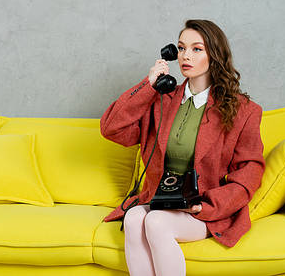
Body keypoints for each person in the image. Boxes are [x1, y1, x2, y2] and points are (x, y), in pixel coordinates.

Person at [100, 20, 266, 276]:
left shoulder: (244, 111)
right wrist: (149, 85)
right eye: (180, 48)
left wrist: (207, 205)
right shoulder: (161, 101)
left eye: (197, 49)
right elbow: (111, 128)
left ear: (215, 55)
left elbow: (249, 173)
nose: (185, 56)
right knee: (133, 218)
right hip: (161, 199)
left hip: (203, 209)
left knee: (155, 222)